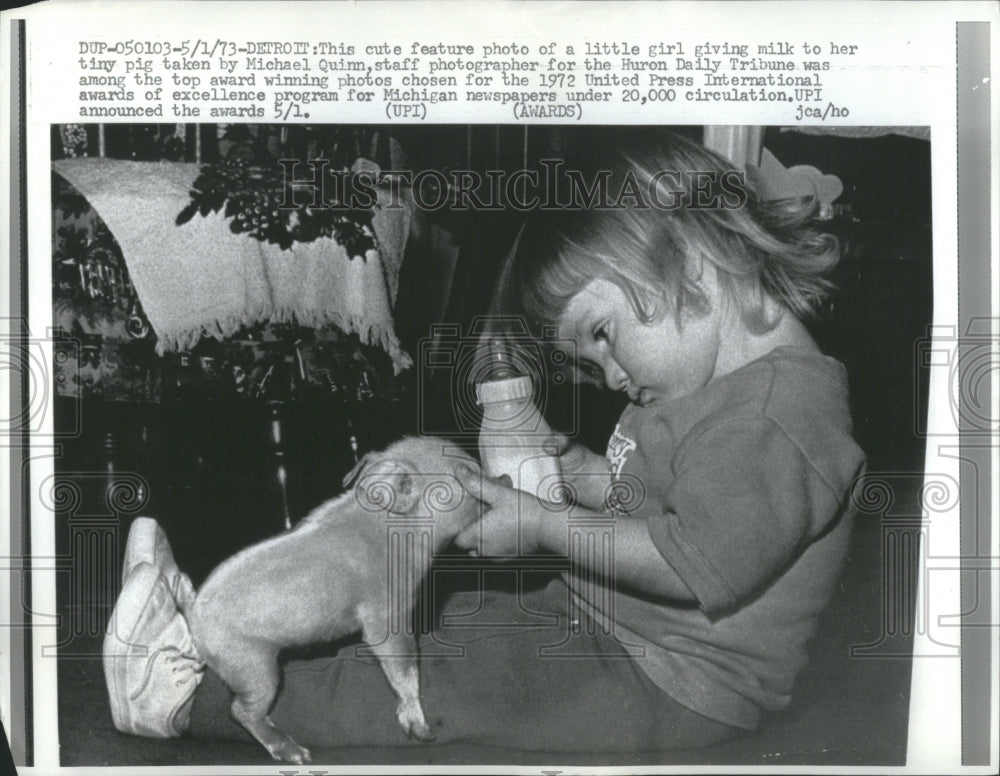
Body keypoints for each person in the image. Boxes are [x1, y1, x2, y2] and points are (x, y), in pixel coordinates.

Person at [104, 131, 865, 756]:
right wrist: (591, 477)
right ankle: (220, 635)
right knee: (433, 630)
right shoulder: (706, 386)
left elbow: (689, 561)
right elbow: (665, 504)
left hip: (673, 682)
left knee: (444, 680)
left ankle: (174, 692)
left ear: (692, 259)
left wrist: (541, 523)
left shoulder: (776, 417)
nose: (607, 375)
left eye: (603, 335)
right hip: (608, 627)